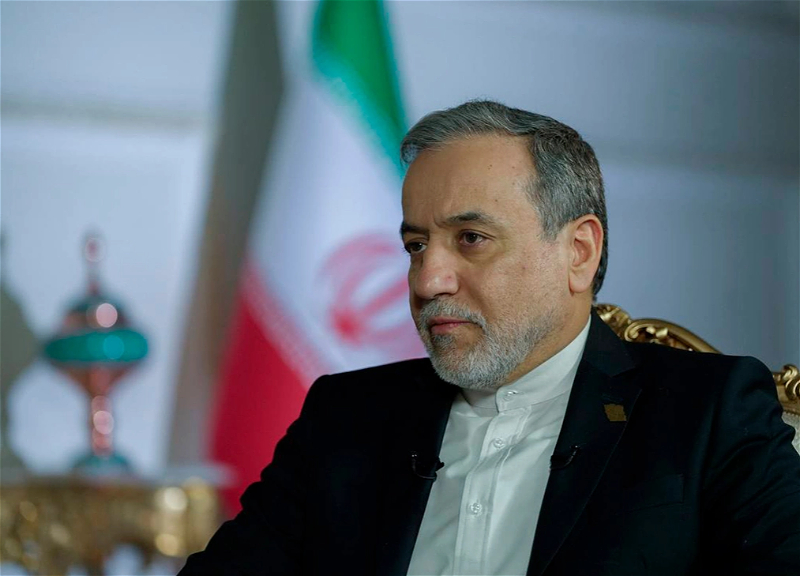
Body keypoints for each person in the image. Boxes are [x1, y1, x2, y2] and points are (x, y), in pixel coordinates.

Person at [179, 101, 800, 575]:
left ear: (578, 252)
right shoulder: (346, 417)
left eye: (471, 239)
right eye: (415, 245)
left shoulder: (708, 412)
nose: (428, 279)